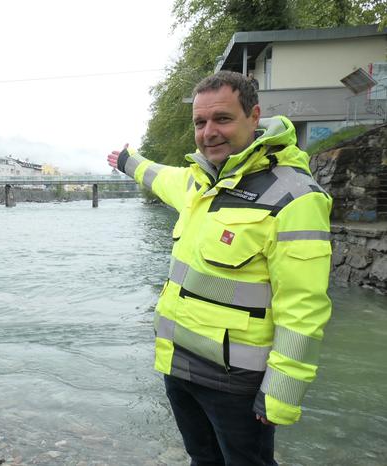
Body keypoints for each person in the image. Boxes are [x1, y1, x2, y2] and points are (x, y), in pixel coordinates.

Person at [107, 70, 332, 466]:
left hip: (238, 384)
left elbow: (303, 309)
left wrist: (279, 393)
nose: (209, 132)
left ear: (253, 116)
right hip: (179, 367)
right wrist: (127, 160)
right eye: (200, 122)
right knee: (201, 459)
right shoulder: (199, 184)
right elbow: (158, 177)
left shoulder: (294, 197)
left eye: (222, 119)